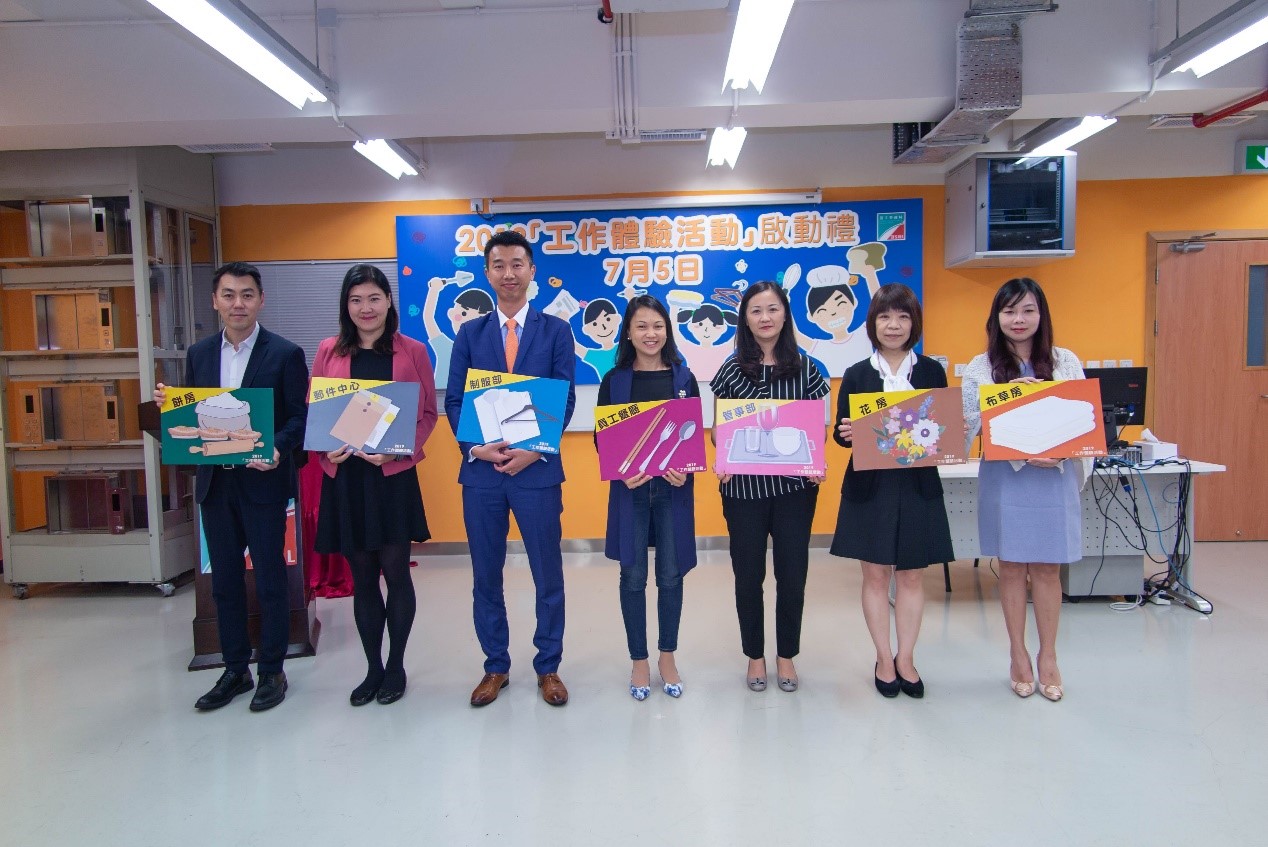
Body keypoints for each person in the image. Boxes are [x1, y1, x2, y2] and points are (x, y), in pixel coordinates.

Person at [154, 261, 308, 712]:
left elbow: (300, 418)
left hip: (263, 482)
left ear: (261, 300)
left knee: (271, 578)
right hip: (216, 485)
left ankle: (272, 670)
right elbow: (195, 414)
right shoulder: (200, 354)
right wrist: (171, 407)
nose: (237, 303)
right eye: (228, 294)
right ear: (215, 301)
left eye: (246, 294)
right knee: (223, 581)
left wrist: (277, 447)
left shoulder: (285, 353)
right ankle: (235, 668)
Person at [444, 230, 576, 707]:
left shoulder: (556, 331)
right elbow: (454, 400)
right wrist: (476, 449)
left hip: (537, 472)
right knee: (486, 575)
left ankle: (549, 667)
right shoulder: (470, 334)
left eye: (517, 264)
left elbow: (565, 398)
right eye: (499, 265)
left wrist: (534, 452)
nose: (509, 273)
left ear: (531, 270)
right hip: (482, 475)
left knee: (547, 574)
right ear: (487, 273)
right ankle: (495, 666)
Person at [312, 264, 438, 706]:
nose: (365, 308)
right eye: (356, 300)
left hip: (391, 479)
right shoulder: (328, 350)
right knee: (362, 579)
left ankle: (396, 666)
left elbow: (428, 414)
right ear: (345, 306)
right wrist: (324, 452)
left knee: (396, 573)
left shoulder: (412, 351)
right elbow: (316, 412)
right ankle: (373, 669)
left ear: (388, 302)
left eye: (373, 298)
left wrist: (400, 452)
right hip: (346, 479)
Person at [961, 277, 1088, 703]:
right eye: (1009, 310)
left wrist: (1064, 451)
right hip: (1007, 476)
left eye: (1028, 310)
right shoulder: (981, 367)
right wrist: (1013, 396)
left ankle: (1048, 655)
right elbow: (969, 425)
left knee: (1049, 569)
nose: (1019, 319)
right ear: (996, 317)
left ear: (1041, 314)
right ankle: (1017, 654)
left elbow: (1082, 419)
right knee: (1012, 567)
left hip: (1054, 476)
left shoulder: (1065, 360)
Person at [830, 283, 953, 699]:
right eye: (885, 317)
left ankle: (907, 658)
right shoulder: (857, 374)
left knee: (913, 574)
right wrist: (848, 432)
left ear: (914, 323)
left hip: (918, 484)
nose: (894, 325)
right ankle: (884, 658)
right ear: (873, 323)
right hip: (872, 484)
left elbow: (942, 429)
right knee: (876, 573)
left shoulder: (931, 371)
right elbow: (841, 435)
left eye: (902, 317)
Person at [711, 281, 829, 693]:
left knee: (792, 575)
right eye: (756, 310)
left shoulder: (807, 367)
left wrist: (816, 461)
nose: (765, 317)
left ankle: (786, 656)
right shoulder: (731, 369)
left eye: (773, 309)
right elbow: (717, 431)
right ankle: (755, 657)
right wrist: (724, 454)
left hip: (795, 491)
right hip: (743, 492)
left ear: (785, 315)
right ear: (745, 318)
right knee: (748, 575)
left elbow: (817, 430)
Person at [596, 295, 700, 701]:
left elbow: (692, 436)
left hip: (673, 490)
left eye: (658, 326)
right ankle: (639, 660)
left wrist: (685, 469)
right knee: (633, 575)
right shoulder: (615, 381)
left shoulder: (684, 378)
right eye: (641, 326)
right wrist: (622, 469)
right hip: (632, 491)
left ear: (667, 331)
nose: (650, 333)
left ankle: (667, 656)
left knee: (671, 574)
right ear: (628, 332)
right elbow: (602, 439)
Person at [422, 276, 493, 382]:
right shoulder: (445, 347)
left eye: (464, 313)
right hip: (442, 392)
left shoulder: (492, 350)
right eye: (459, 312)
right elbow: (428, 317)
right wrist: (434, 290)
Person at [575, 297, 620, 379]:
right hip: (609, 387)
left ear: (617, 319)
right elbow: (575, 346)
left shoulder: (624, 347)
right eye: (595, 324)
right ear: (587, 330)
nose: (604, 327)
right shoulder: (597, 357)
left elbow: (635, 326)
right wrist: (563, 322)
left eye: (608, 319)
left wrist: (631, 298)